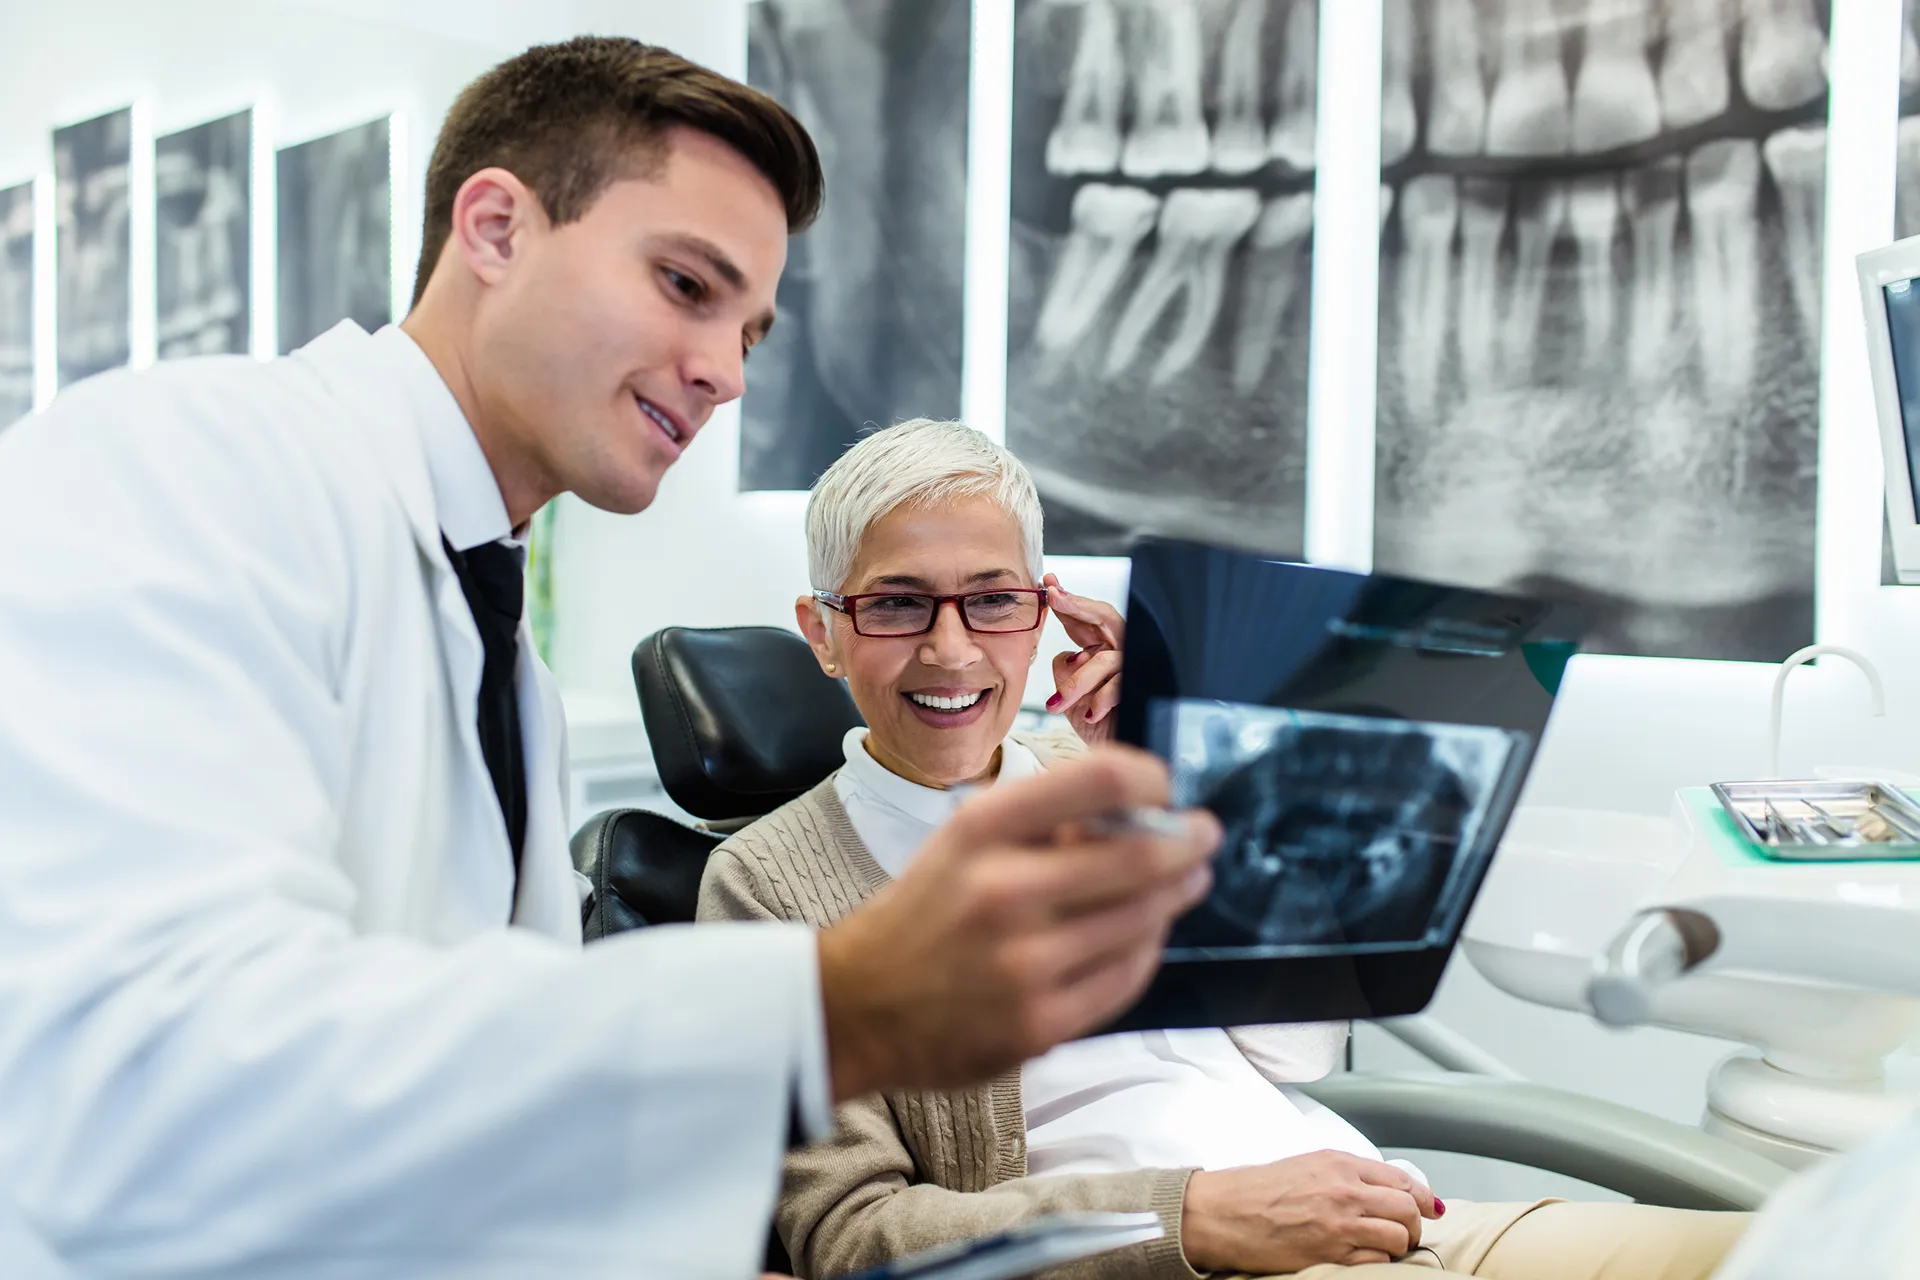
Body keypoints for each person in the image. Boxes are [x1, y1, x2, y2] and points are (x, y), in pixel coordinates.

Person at [0, 39, 1222, 1278]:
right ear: (495, 228)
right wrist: (831, 1006)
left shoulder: (495, 648)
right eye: (687, 285)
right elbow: (147, 1088)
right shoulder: (180, 464)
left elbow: (483, 1132)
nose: (728, 373)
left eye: (751, 327)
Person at [696, 419, 1753, 1280]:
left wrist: (1186, 781)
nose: (953, 646)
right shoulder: (767, 883)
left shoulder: (1100, 772)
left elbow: (1299, 1055)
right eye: (893, 604)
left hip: (1385, 1208)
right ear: (824, 629)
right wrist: (1193, 1215)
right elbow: (856, 1235)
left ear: (1043, 607)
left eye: (992, 598)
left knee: (1827, 1246)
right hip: (1191, 1259)